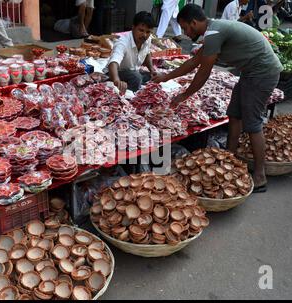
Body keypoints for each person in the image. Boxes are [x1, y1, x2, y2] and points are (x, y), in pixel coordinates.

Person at [153, 4, 283, 192]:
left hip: (262, 73)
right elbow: (194, 61)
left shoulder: (214, 33)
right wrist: (165, 77)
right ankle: (229, 159)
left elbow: (203, 72)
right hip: (250, 73)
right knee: (234, 114)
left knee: (252, 123)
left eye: (185, 27)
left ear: (194, 22)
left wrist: (183, 95)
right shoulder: (213, 30)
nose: (185, 33)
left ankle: (260, 176)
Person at [108, 11, 157, 94]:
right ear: (133, 27)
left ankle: (135, 85)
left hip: (134, 71)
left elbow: (147, 53)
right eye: (141, 30)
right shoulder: (123, 42)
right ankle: (129, 95)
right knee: (136, 77)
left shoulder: (147, 39)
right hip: (118, 73)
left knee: (152, 77)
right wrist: (117, 81)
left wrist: (152, 70)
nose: (144, 35)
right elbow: (113, 63)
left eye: (148, 32)